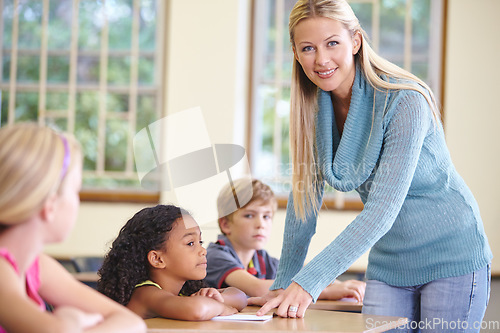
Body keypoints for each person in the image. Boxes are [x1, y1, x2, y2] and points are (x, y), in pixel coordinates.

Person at [255, 0, 492, 329]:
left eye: (332, 43)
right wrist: (283, 282)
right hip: (389, 264)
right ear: (295, 53)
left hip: (451, 256)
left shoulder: (405, 99)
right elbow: (303, 207)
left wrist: (309, 282)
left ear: (355, 41)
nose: (321, 59)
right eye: (308, 48)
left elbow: (382, 210)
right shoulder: (310, 112)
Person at [0, 123, 146, 333]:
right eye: (75, 190)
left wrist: (71, 327)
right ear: (50, 205)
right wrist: (70, 319)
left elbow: (133, 323)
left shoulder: (36, 265)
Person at [206, 178, 365, 301]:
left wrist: (339, 285)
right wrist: (326, 291)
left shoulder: (261, 258)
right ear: (225, 224)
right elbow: (257, 288)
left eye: (266, 216)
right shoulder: (215, 256)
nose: (261, 224)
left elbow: (296, 272)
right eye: (249, 215)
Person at [97, 204, 247, 321]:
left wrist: (218, 299)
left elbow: (240, 296)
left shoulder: (182, 292)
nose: (203, 250)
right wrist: (221, 307)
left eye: (200, 241)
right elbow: (197, 310)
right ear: (158, 259)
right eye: (190, 243)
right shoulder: (146, 293)